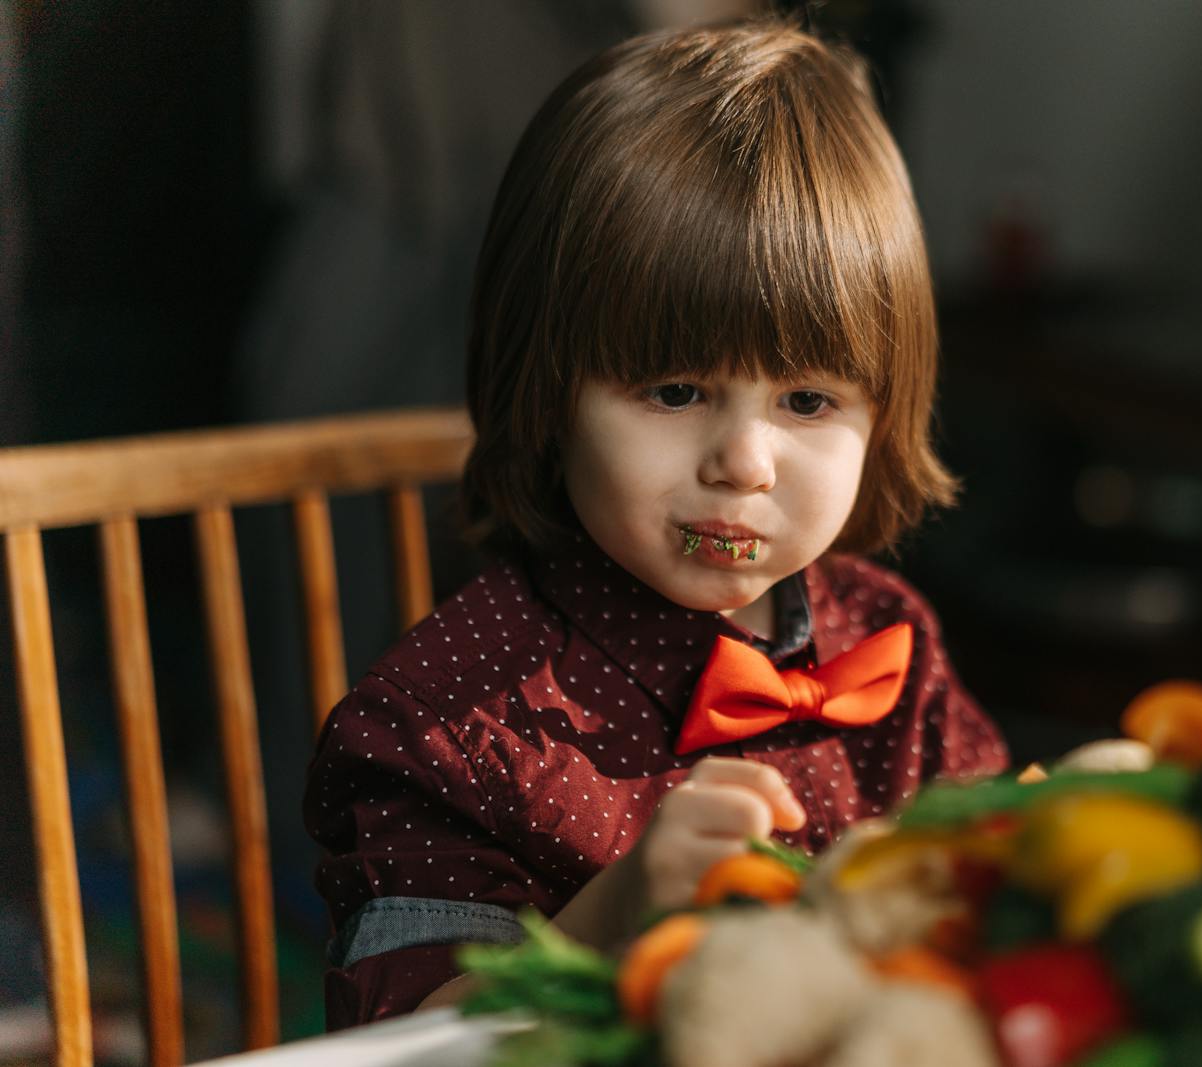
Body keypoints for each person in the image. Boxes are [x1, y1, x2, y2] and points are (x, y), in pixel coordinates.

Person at [303, 17, 1010, 1029]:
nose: (744, 460)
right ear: (545, 393)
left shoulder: (890, 641)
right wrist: (610, 916)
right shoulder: (445, 723)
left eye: (807, 401)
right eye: (676, 389)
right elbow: (400, 1041)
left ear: (884, 414)